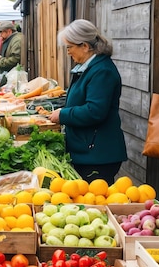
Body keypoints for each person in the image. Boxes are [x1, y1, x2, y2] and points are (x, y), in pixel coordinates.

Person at [48, 19, 127, 184]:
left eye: (69, 47)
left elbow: (95, 111)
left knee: (95, 202)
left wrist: (63, 114)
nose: (68, 52)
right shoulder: (89, 67)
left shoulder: (102, 71)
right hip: (87, 150)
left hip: (98, 154)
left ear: (84, 46)